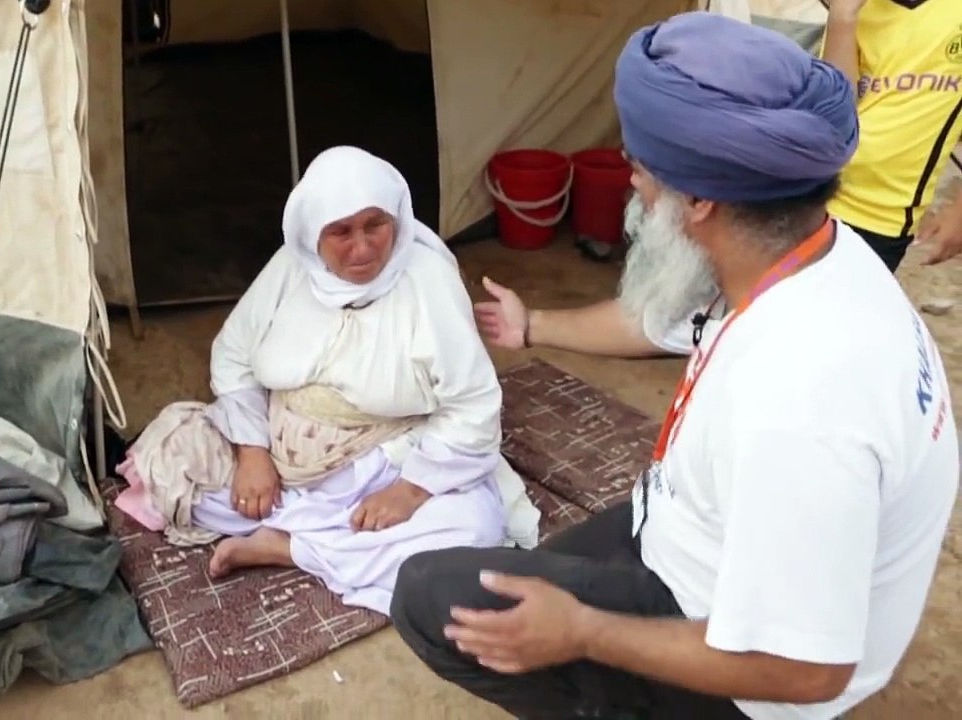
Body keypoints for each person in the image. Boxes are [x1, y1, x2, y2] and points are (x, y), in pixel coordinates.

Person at [390, 12, 959, 720]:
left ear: (699, 199)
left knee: (432, 597)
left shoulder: (800, 401)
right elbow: (656, 320)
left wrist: (586, 631)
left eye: (637, 166)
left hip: (755, 682)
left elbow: (809, 669)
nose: (632, 186)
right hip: (687, 540)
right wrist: (531, 324)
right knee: (522, 574)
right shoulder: (808, 252)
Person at [114, 146, 541, 616]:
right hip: (277, 464)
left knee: (475, 531)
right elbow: (234, 355)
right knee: (168, 465)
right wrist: (252, 454)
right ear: (311, 233)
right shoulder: (291, 267)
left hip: (386, 465)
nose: (361, 248)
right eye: (340, 231)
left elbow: (473, 404)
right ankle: (330, 541)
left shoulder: (429, 281)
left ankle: (287, 548)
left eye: (375, 225)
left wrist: (410, 491)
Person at [821, 0, 962, 270]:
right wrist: (842, 19)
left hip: (880, 215)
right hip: (811, 195)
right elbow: (836, 113)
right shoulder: (855, 8)